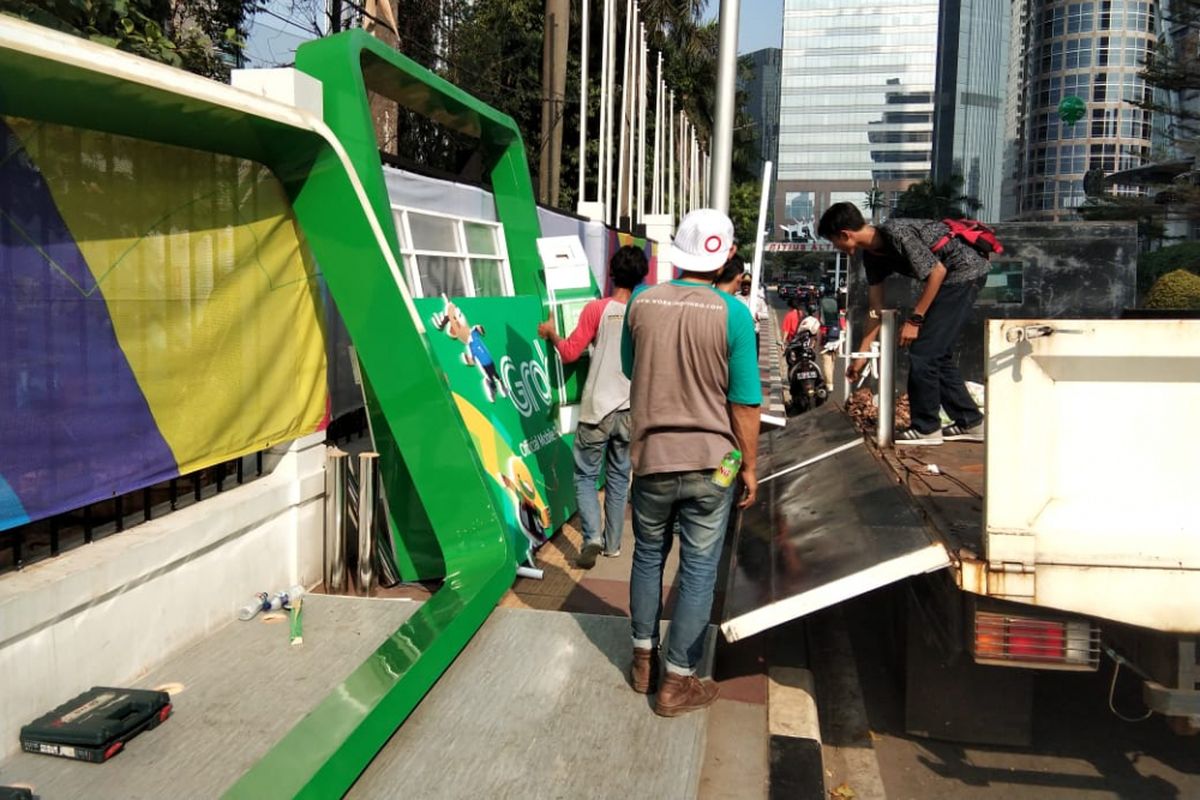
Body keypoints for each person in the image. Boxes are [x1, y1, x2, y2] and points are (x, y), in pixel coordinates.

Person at [620, 208, 762, 717]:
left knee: (648, 557)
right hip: (715, 462)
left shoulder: (641, 301)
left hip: (653, 458)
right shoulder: (734, 314)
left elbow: (629, 368)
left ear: (677, 250)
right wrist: (748, 467)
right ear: (724, 256)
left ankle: (642, 661)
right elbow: (745, 402)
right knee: (700, 567)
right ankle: (678, 681)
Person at [817, 202, 987, 444]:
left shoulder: (897, 233)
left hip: (963, 273)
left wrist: (915, 320)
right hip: (950, 279)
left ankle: (927, 428)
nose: (836, 247)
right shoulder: (872, 258)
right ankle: (970, 421)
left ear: (846, 234)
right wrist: (862, 355)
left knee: (923, 352)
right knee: (936, 354)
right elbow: (875, 309)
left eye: (835, 241)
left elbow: (936, 272)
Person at [538, 245, 649, 568]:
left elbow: (571, 353)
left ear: (611, 272)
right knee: (618, 476)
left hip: (597, 407)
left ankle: (592, 539)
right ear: (642, 277)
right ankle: (613, 544)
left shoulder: (595, 309)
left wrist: (551, 334)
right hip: (631, 409)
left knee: (585, 475)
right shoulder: (643, 312)